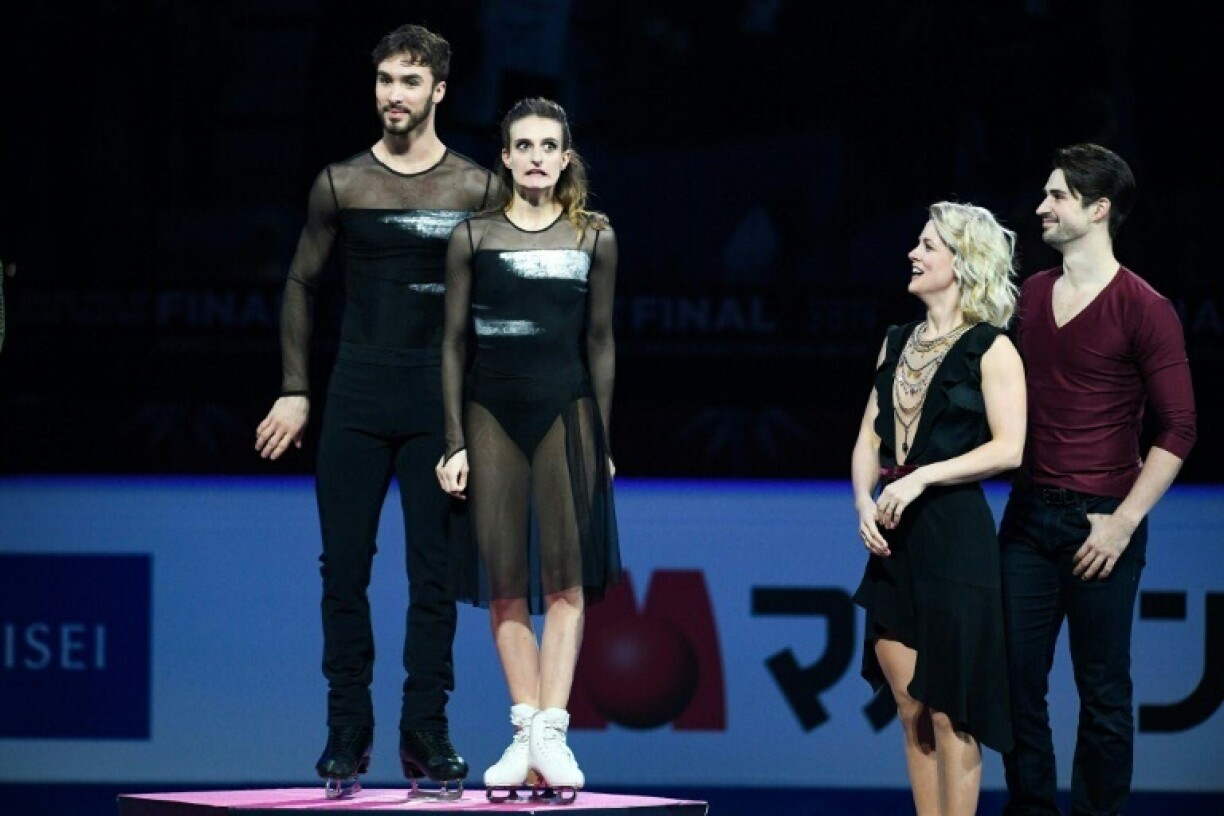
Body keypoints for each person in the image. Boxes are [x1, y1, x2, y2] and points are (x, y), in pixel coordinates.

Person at [253, 24, 501, 799]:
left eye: (410, 81)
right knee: (344, 570)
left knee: (434, 573)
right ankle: (346, 731)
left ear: (439, 91)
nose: (395, 94)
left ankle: (425, 728)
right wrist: (296, 388)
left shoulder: (476, 188)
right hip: (357, 395)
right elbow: (301, 284)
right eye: (386, 80)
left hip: (439, 403)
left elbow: (497, 306)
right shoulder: (342, 183)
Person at [1000, 144, 1197, 816]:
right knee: (1015, 683)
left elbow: (1179, 428)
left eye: (1056, 196)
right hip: (1026, 518)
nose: (1041, 208)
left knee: (1103, 690)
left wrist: (1123, 523)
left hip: (1103, 520)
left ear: (1098, 208)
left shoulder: (1145, 307)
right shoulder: (1029, 296)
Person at [436, 97, 621, 802]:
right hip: (490, 413)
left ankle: (551, 732)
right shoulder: (473, 236)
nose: (537, 156)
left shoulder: (594, 236)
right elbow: (453, 344)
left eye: (549, 145)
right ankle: (524, 730)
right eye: (524, 146)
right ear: (506, 158)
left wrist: (601, 438)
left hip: (566, 411)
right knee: (506, 581)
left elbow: (600, 342)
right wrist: (454, 440)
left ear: (565, 158)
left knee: (567, 580)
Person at [852, 201, 1027, 815]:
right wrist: (862, 502)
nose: (913, 253)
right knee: (911, 707)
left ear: (963, 261)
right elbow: (868, 438)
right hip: (895, 538)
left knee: (953, 710)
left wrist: (921, 477)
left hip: (955, 537)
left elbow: (1009, 447)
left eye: (928, 245)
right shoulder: (896, 341)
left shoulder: (992, 348)